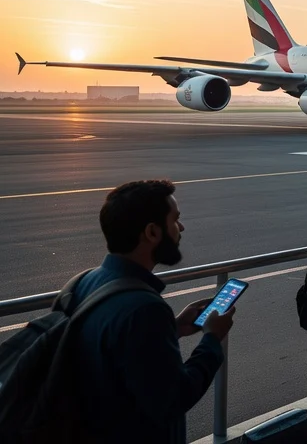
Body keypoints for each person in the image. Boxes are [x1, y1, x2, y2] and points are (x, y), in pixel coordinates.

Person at [68, 179, 233, 443]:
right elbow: (175, 398)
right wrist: (212, 340)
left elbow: (119, 356)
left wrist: (174, 329)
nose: (181, 228)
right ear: (152, 233)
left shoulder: (82, 283)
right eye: (175, 220)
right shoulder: (145, 309)